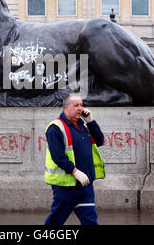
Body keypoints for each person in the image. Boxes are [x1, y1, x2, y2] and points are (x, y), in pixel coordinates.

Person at [44, 93, 105, 225]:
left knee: (90, 222)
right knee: (56, 221)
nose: (80, 109)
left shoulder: (83, 126)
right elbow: (58, 156)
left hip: (85, 185)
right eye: (76, 105)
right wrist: (75, 171)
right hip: (66, 187)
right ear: (66, 107)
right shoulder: (55, 128)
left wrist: (91, 122)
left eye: (81, 105)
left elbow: (100, 141)